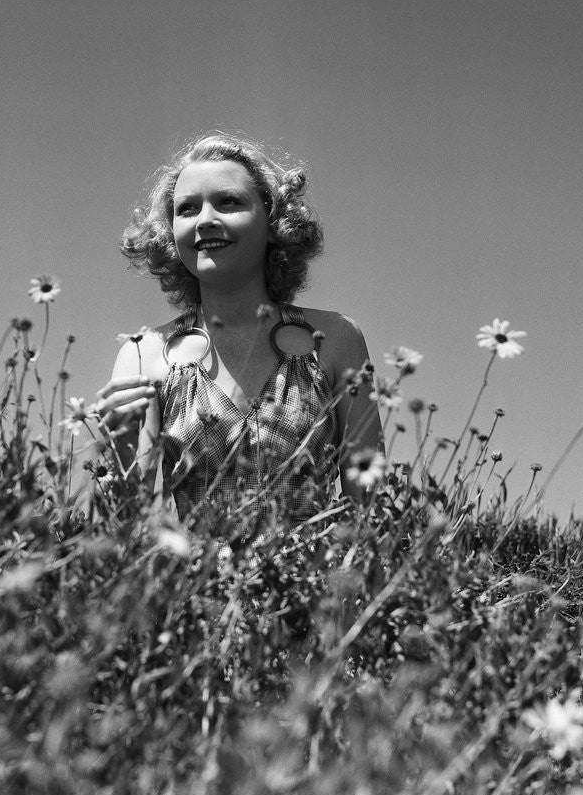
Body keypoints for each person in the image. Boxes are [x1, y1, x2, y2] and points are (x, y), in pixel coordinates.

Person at [95, 132, 383, 527]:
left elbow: (371, 510)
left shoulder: (337, 338)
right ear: (171, 232)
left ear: (273, 223)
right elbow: (129, 527)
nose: (206, 220)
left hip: (317, 584)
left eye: (228, 202)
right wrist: (122, 449)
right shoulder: (143, 353)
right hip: (198, 586)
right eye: (187, 209)